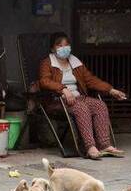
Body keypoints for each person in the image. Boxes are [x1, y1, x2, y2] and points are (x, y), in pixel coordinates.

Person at [39, 32, 126, 160]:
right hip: (57, 101)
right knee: (81, 108)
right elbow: (44, 81)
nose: (64, 48)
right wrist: (63, 89)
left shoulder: (75, 62)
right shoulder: (47, 63)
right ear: (52, 48)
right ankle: (90, 147)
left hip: (78, 98)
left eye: (66, 45)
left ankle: (104, 145)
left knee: (99, 105)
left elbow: (90, 80)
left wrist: (110, 90)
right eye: (60, 45)